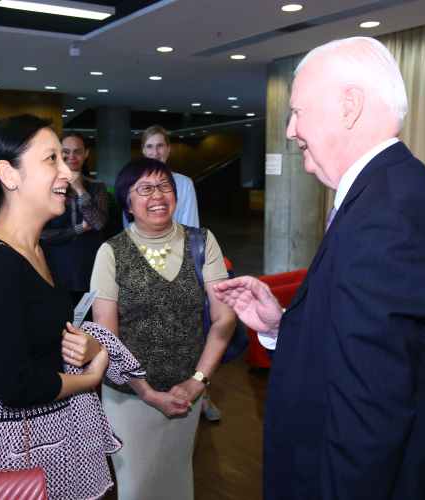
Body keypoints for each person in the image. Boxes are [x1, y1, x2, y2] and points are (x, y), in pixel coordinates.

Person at [213, 37, 425, 499]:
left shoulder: (386, 217)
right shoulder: (385, 194)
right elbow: (361, 349)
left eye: (298, 112)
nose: (290, 131)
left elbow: (369, 416)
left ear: (350, 107)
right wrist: (281, 326)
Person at [0, 114, 144, 500]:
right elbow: (17, 385)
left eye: (65, 159)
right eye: (51, 159)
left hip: (46, 439)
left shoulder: (39, 249)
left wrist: (80, 345)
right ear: (9, 174)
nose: (68, 173)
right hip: (6, 453)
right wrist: (89, 379)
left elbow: (44, 335)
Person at [91, 157, 236, 500]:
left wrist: (198, 381)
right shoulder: (111, 253)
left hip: (183, 394)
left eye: (164, 186)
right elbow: (107, 336)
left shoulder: (202, 242)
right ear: (127, 201)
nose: (157, 195)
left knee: (177, 485)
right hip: (130, 398)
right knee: (137, 488)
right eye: (144, 188)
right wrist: (146, 392)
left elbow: (224, 318)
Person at [139, 125, 221, 420]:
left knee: (190, 335)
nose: (155, 152)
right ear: (143, 150)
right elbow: (131, 229)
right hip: (145, 267)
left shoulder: (183, 183)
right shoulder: (135, 182)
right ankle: (158, 390)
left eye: (160, 146)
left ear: (169, 149)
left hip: (179, 267)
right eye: (150, 147)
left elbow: (189, 227)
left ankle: (201, 394)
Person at [40, 130, 108, 312]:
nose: (72, 156)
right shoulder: (48, 188)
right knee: (60, 326)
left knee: (91, 326)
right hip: (58, 268)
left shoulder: (96, 187)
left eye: (77, 151)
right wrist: (79, 228)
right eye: (66, 152)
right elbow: (41, 235)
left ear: (86, 154)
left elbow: (99, 223)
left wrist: (79, 189)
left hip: (90, 267)